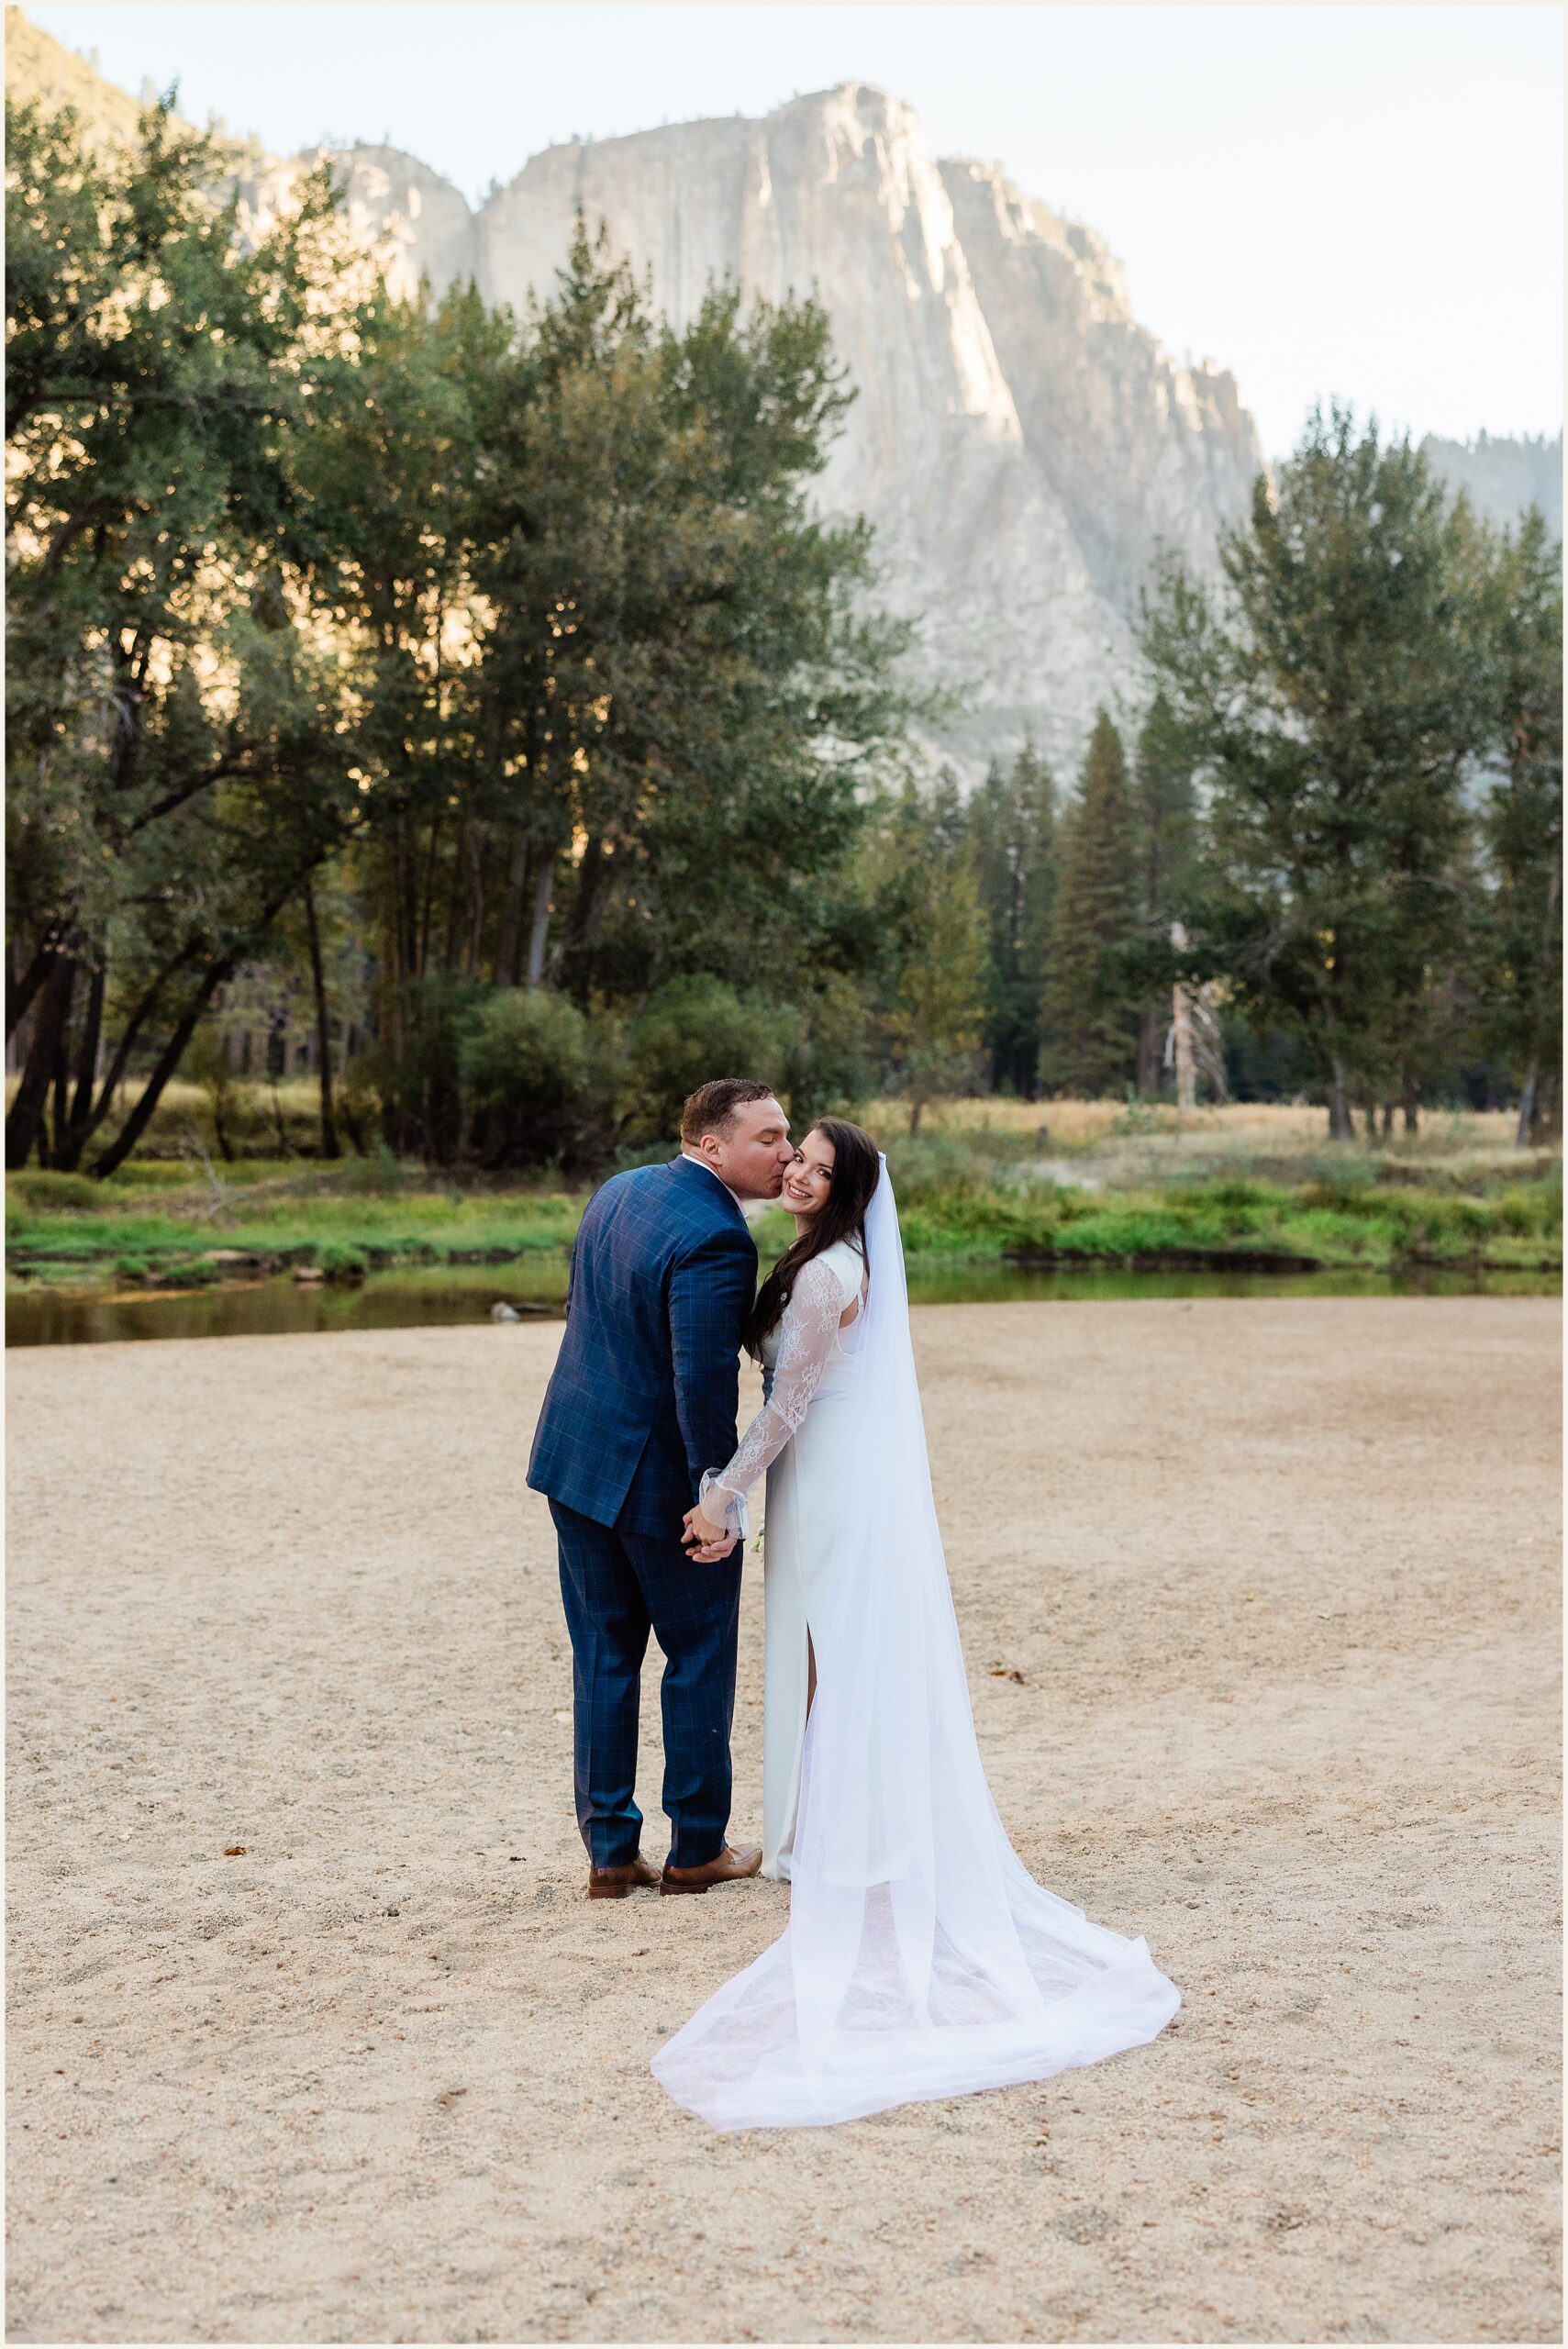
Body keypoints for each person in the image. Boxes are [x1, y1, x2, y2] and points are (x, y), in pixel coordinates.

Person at [654, 1120, 1182, 2130]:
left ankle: (852, 1843)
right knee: (821, 1654)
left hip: (834, 1476)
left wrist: (720, 1493)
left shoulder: (823, 1277)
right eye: (791, 1154)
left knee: (844, 1656)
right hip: (820, 1478)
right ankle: (822, 1835)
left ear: (843, 1184)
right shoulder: (817, 1260)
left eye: (810, 1159)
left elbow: (788, 1405)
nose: (795, 1167)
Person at [527, 1078, 795, 1900]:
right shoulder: (718, 1236)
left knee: (604, 1657)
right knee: (698, 1658)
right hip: (655, 1486)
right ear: (711, 1146)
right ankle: (696, 1849)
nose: (786, 1153)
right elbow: (701, 1381)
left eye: (788, 1137)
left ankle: (610, 1857)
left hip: (575, 1460)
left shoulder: (621, 1191)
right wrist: (714, 1496)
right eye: (769, 1138)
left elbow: (589, 1314)